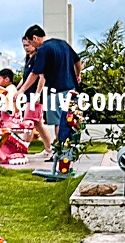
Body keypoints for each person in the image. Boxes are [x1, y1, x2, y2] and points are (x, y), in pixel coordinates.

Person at [18, 24, 82, 163]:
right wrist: (78, 75)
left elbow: (36, 73)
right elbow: (77, 61)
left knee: (59, 123)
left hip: (55, 91)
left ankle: (60, 153)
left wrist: (22, 90)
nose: (31, 45)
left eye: (30, 42)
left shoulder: (43, 49)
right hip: (71, 90)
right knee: (71, 121)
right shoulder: (63, 44)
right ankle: (69, 150)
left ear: (35, 38)